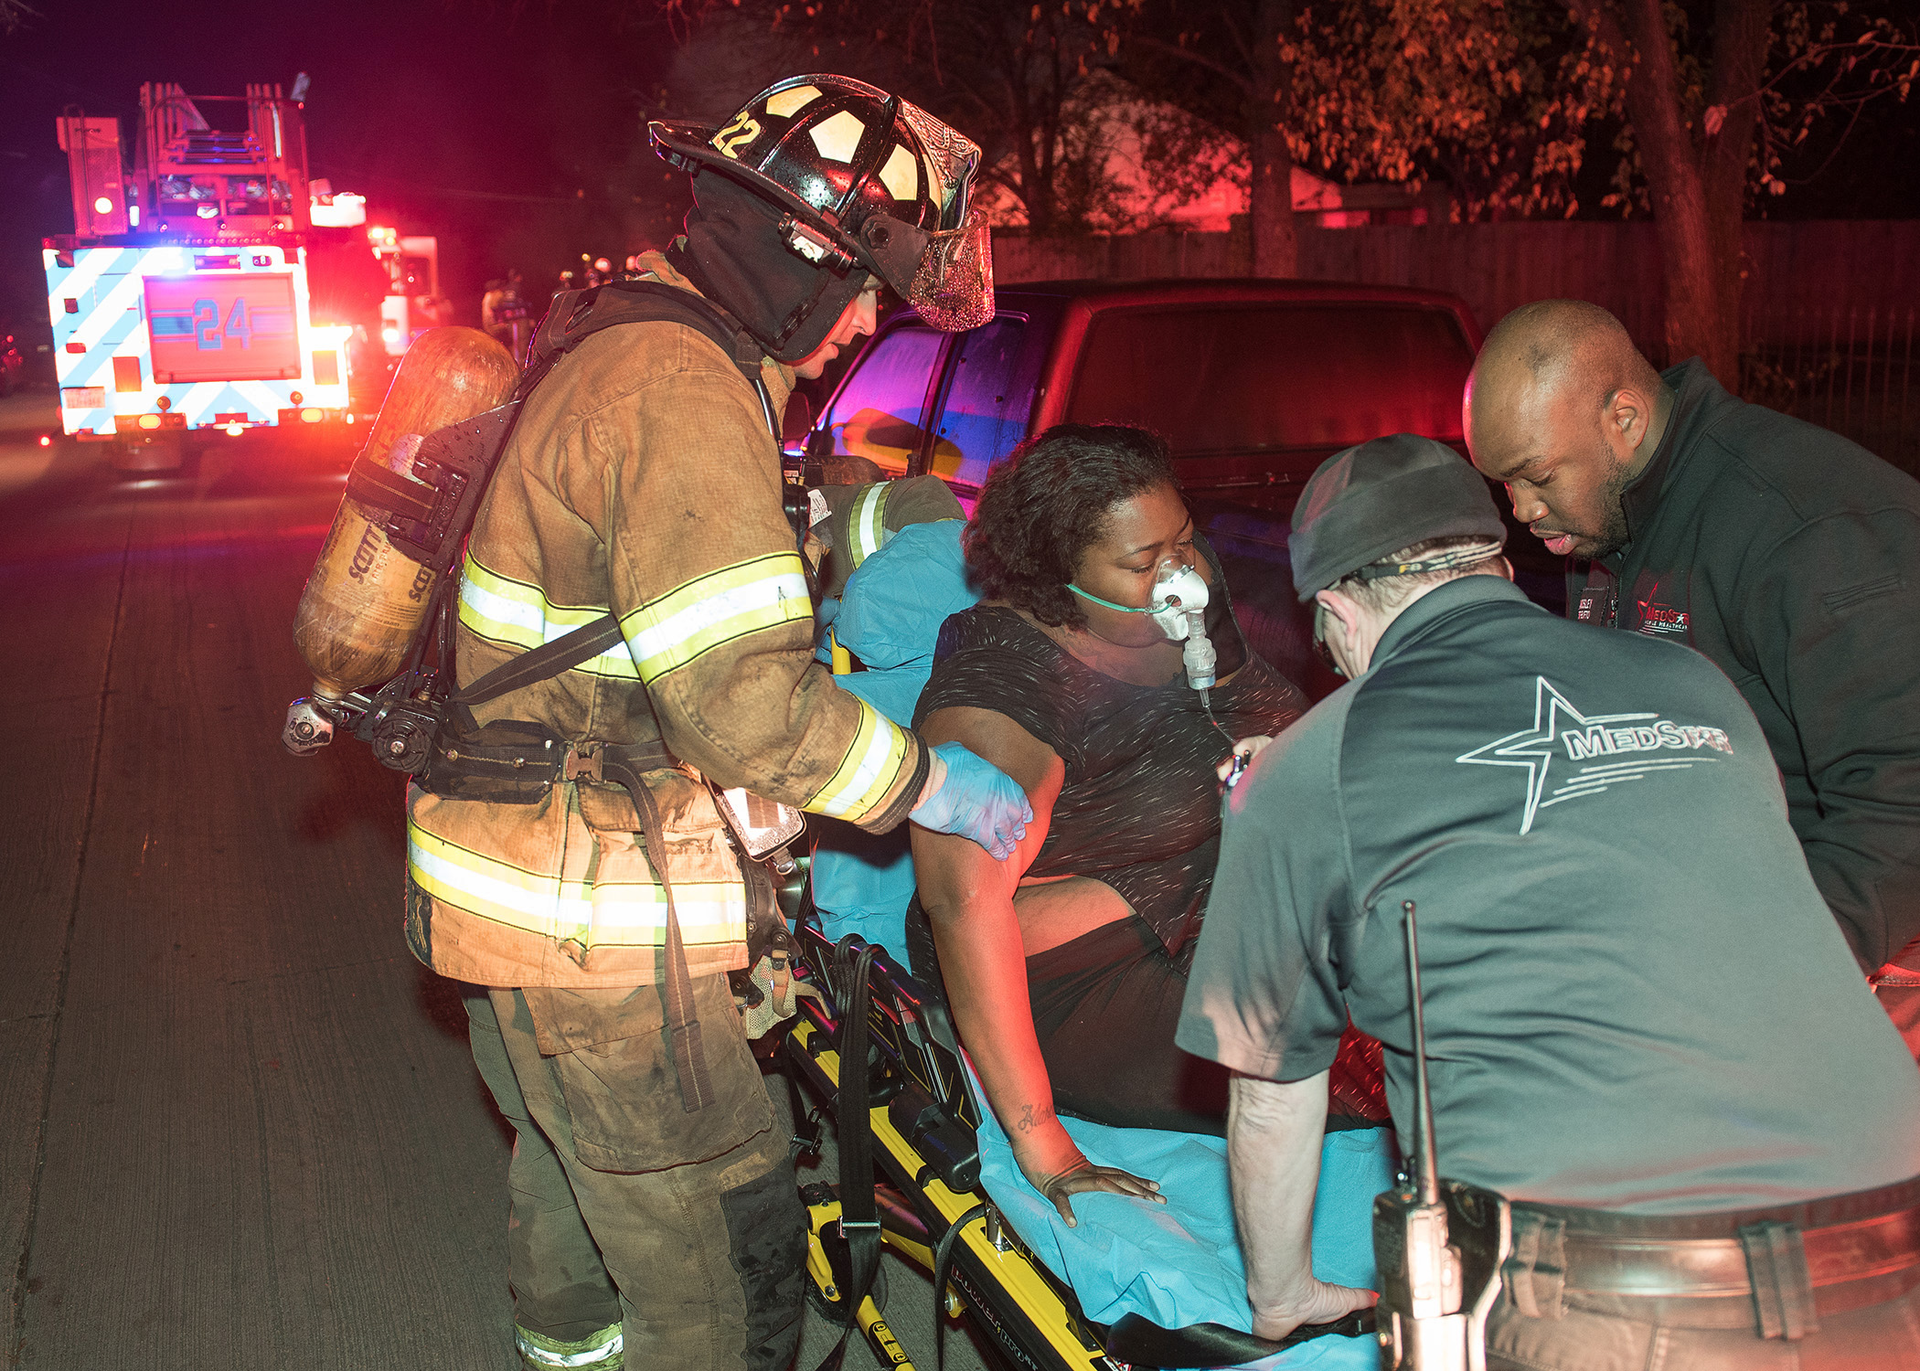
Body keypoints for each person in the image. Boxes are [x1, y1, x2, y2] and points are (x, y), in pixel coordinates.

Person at [402, 75, 1028, 1371]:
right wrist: (927, 783)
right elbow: (745, 702)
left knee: (583, 1172)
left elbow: (691, 553)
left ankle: (570, 1350)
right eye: (866, 284)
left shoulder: (632, 338)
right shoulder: (678, 387)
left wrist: (871, 510)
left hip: (507, 881)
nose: (868, 321)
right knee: (725, 1252)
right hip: (594, 916)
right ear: (800, 251)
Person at [1176, 432, 1920, 1368]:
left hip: (1610, 1299)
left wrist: (1281, 1297)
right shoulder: (1694, 683)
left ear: (1337, 611)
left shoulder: (1306, 766)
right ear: (1494, 562)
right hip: (1894, 1237)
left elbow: (1273, 1092)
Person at [907, 424, 1388, 1228]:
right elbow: (963, 903)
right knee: (1379, 1044)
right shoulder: (1004, 688)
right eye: (1142, 563)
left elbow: (1257, 714)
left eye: (1184, 540)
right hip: (1083, 981)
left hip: (1231, 897)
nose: (1180, 575)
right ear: (1056, 574)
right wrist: (1042, 1143)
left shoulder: (1180, 601)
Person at [1462, 299, 1920, 1058]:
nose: (1523, 511)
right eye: (1503, 485)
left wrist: (1761, 977)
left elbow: (1903, 798)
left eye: (1536, 476)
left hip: (1856, 959)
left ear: (1624, 419)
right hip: (1724, 932)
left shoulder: (1803, 528)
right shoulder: (1612, 516)